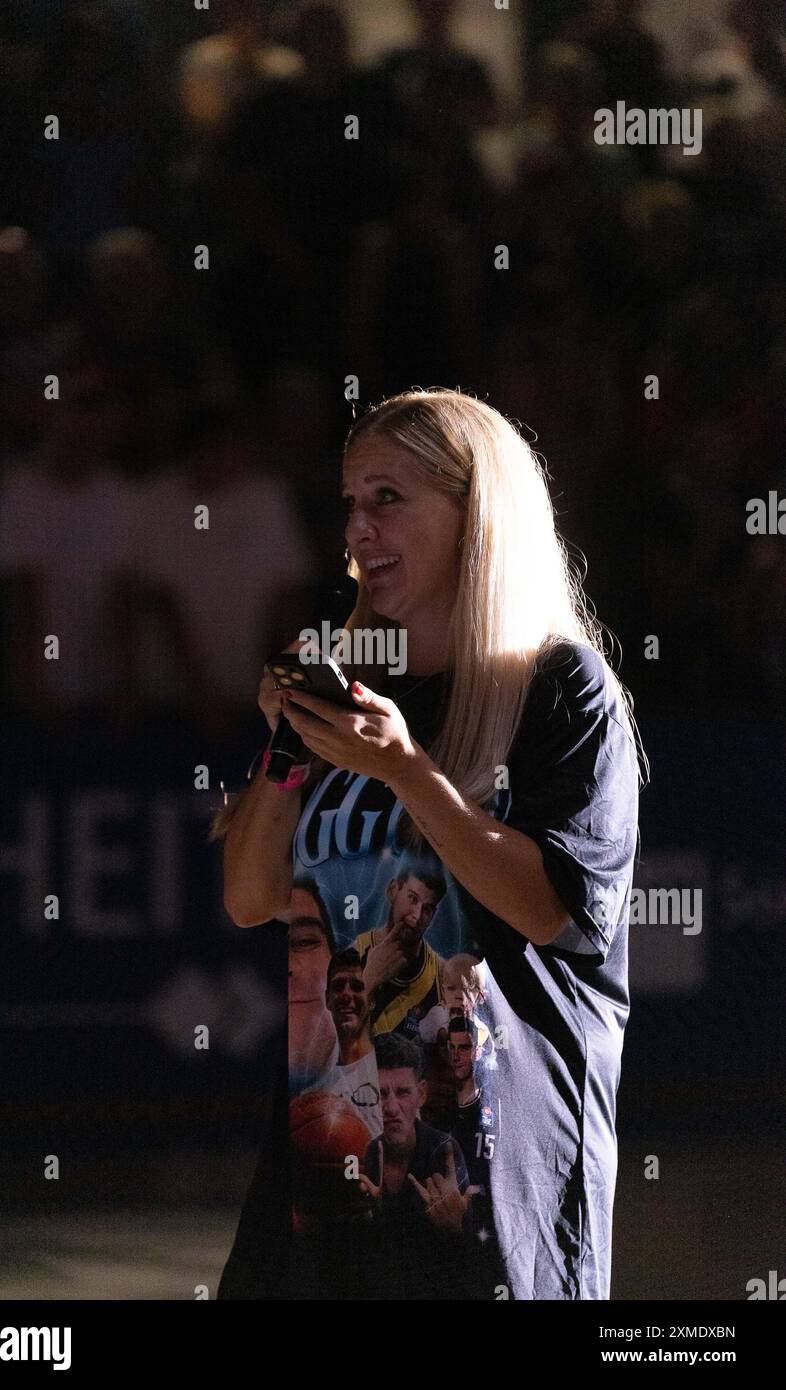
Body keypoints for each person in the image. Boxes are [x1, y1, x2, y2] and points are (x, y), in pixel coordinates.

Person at [214, 387, 647, 1300]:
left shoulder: (562, 689)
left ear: (475, 511)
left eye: (387, 498)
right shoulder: (357, 694)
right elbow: (250, 898)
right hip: (330, 1154)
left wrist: (413, 772)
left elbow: (549, 907)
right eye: (349, 503)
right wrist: (290, 743)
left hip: (490, 1175)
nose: (358, 531)